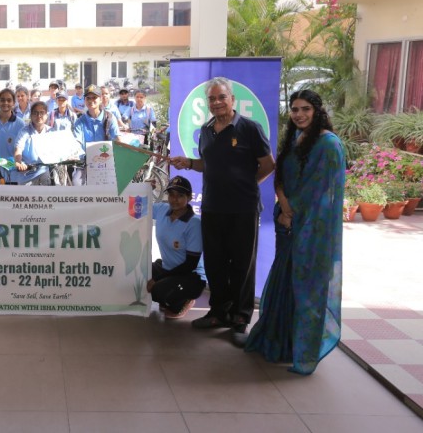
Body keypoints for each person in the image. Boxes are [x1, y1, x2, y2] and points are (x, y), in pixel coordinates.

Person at [169, 77, 275, 347]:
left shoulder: (250, 128)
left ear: (232, 99)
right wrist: (189, 163)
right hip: (212, 207)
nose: (216, 102)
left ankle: (239, 319)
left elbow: (268, 164)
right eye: (212, 99)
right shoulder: (206, 130)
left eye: (221, 97)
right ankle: (218, 313)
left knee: (242, 265)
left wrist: (247, 185)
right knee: (215, 264)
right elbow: (209, 164)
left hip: (243, 209)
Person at [245, 90, 345, 373]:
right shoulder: (294, 138)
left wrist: (292, 213)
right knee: (283, 283)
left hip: (312, 230)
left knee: (307, 289)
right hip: (286, 224)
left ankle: (303, 353)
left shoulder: (329, 144)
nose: (299, 115)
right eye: (294, 109)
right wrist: (284, 206)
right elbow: (280, 176)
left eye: (305, 109)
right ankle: (279, 343)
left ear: (317, 111)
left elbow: (320, 191)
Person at [147, 176, 206, 319]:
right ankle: (168, 294)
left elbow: (190, 264)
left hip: (191, 275)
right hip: (168, 268)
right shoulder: (162, 209)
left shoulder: (194, 223)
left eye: (180, 196)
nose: (175, 200)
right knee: (139, 275)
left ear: (189, 197)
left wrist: (157, 279)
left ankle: (185, 300)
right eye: (171, 195)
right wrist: (145, 190)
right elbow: (137, 206)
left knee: (157, 290)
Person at [72, 85, 120, 185]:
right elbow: (77, 142)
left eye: (94, 97)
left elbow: (117, 139)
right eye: (88, 98)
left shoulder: (110, 118)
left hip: (108, 162)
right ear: (84, 100)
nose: (91, 101)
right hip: (85, 162)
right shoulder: (80, 121)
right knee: (76, 183)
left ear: (100, 99)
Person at [0, 88, 24, 183]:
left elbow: (22, 150)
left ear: (14, 103)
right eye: (2, 100)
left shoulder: (20, 124)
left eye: (9, 100)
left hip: (13, 173)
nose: (5, 103)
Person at [13, 101, 51, 185]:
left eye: (42, 112)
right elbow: (18, 149)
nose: (39, 115)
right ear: (31, 115)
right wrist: (18, 162)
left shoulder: (51, 131)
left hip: (45, 171)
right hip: (27, 173)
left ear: (46, 115)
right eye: (35, 113)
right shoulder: (24, 131)